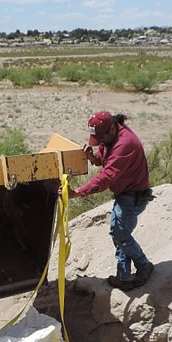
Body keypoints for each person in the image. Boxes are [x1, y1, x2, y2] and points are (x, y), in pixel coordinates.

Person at [66, 111, 154, 291]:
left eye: (101, 138)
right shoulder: (111, 137)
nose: (100, 143)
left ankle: (144, 266)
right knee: (119, 232)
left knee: (120, 234)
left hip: (133, 196)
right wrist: (93, 157)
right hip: (125, 194)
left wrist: (76, 192)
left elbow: (107, 177)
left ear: (112, 128)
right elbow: (104, 157)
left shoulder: (125, 143)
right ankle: (125, 277)